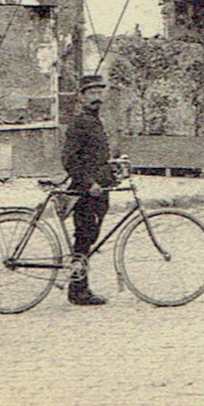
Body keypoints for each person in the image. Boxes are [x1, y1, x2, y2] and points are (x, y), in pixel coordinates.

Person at [62, 73, 118, 305]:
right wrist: (89, 183)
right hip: (85, 192)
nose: (97, 97)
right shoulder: (79, 122)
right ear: (82, 96)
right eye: (92, 93)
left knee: (89, 238)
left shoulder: (94, 121)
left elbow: (96, 156)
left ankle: (78, 285)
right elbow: (69, 160)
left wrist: (111, 175)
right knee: (84, 239)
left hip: (99, 190)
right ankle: (78, 291)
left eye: (99, 92)